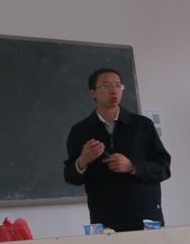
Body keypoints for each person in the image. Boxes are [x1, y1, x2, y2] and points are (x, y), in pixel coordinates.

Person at [63, 68, 171, 232]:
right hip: (104, 220)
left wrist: (131, 166)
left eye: (118, 85)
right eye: (106, 86)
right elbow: (71, 177)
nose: (114, 90)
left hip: (145, 218)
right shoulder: (81, 131)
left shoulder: (142, 125)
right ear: (93, 93)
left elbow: (163, 168)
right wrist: (82, 160)